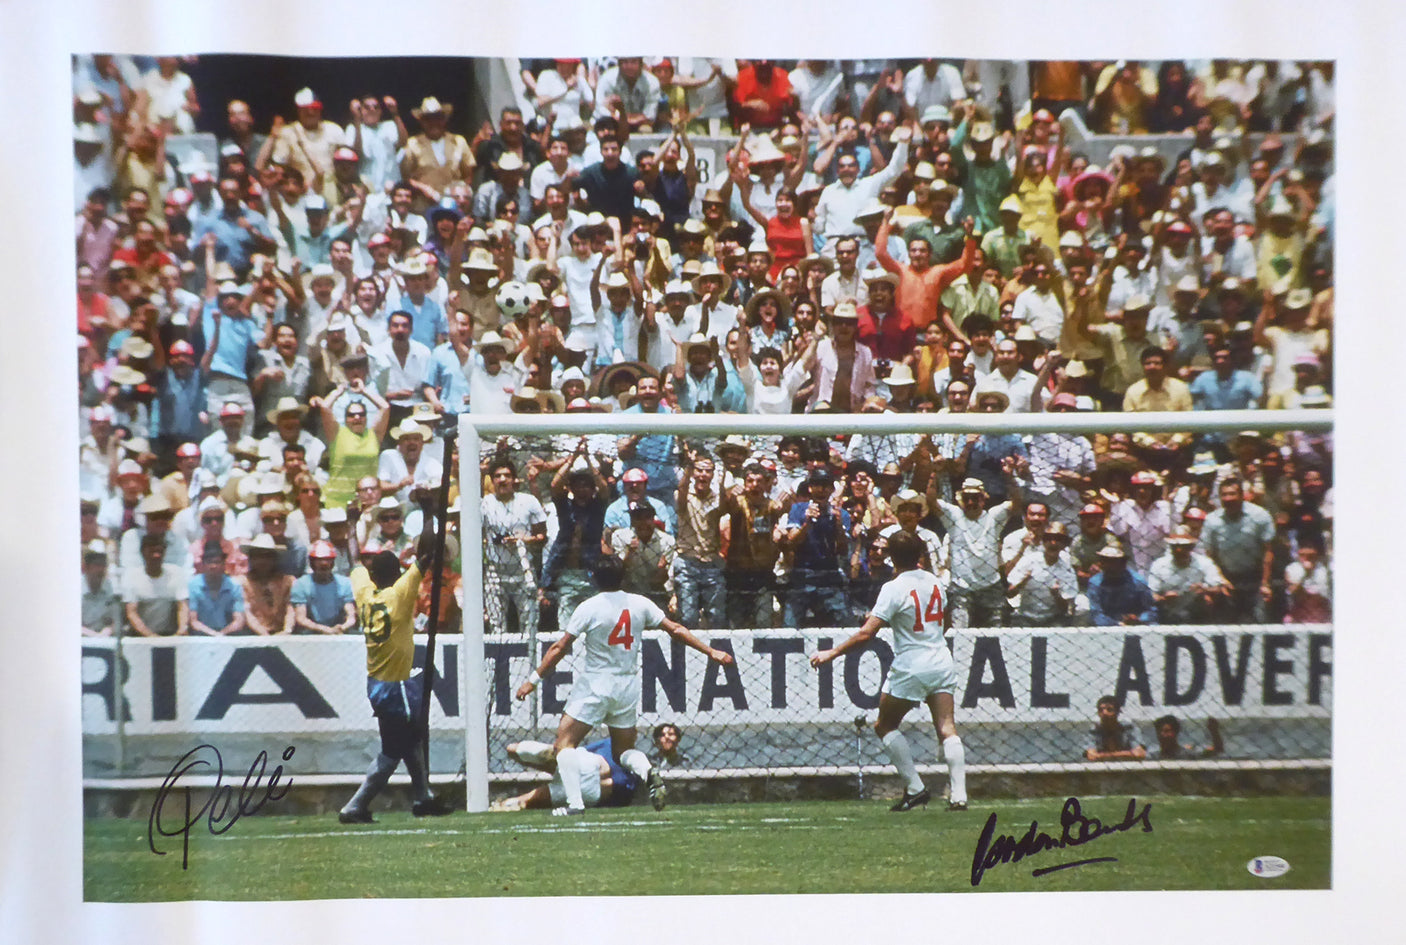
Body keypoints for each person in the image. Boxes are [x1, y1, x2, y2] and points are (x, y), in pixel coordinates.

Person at [513, 556, 733, 815]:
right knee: (623, 752)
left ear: (594, 578)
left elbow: (560, 647)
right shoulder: (640, 603)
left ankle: (575, 804)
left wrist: (533, 680)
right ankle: (648, 771)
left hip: (596, 683)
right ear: (623, 577)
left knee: (564, 745)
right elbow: (675, 629)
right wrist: (711, 651)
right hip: (626, 685)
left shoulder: (589, 607)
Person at [811, 532, 968, 812]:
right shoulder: (935, 582)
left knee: (884, 725)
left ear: (890, 557)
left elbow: (866, 633)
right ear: (920, 555)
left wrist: (831, 653)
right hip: (941, 659)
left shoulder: (894, 588)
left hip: (911, 664)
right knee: (947, 727)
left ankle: (916, 788)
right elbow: (944, 624)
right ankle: (959, 796)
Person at [338, 495, 451, 823]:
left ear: (373, 575)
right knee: (393, 749)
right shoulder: (399, 595)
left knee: (411, 739)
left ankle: (423, 797)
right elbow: (427, 554)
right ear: (398, 573)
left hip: (377, 682)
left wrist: (352, 522)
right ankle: (355, 806)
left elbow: (353, 558)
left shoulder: (365, 593)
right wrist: (429, 512)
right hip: (395, 685)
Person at [492, 725, 685, 812]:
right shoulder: (625, 752)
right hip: (591, 784)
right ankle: (514, 802)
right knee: (580, 765)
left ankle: (511, 802)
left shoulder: (623, 753)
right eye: (663, 734)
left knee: (573, 761)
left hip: (591, 777)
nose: (666, 738)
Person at [291, 540, 357, 634]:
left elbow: (351, 615)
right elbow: (301, 618)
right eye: (319, 560)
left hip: (339, 633)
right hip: (310, 635)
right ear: (312, 562)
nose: (324, 563)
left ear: (333, 562)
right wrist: (323, 629)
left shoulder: (344, 583)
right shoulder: (300, 584)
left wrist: (343, 627)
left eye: (327, 560)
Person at [186, 540, 246, 635]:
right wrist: (213, 634)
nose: (213, 566)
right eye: (209, 562)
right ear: (203, 564)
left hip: (228, 635)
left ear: (224, 565)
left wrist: (222, 634)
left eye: (217, 562)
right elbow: (193, 621)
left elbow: (239, 621)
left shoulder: (234, 586)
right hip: (201, 636)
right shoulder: (193, 585)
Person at [1085, 695, 1147, 761]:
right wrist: (1127, 754)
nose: (1104, 713)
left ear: (1117, 712)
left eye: (1109, 709)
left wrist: (1101, 755)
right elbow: (1092, 756)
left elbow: (1139, 754)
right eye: (1101, 710)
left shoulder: (1129, 728)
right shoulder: (1094, 731)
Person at [1153, 714, 1223, 759]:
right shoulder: (1154, 756)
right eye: (1159, 731)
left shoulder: (1188, 754)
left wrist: (1214, 732)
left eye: (1167, 731)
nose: (1162, 735)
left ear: (1176, 732)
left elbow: (1217, 750)